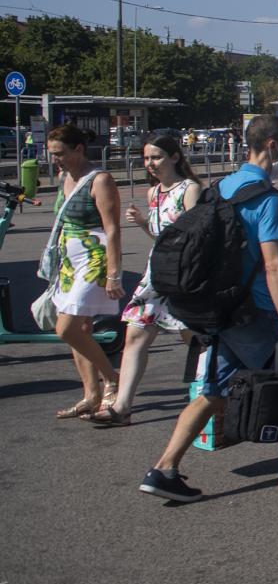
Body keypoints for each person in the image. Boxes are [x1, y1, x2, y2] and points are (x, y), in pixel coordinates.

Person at [137, 115, 278, 503]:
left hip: (217, 305)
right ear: (273, 145)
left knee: (212, 389)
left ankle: (164, 468)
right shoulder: (264, 197)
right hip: (253, 308)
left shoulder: (221, 186)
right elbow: (273, 263)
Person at [89, 135, 203, 427]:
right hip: (156, 272)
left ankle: (208, 402)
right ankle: (122, 407)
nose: (150, 164)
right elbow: (160, 236)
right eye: (147, 158)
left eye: (156, 157)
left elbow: (199, 236)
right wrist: (142, 222)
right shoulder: (154, 194)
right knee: (136, 333)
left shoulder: (190, 189)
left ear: (175, 157)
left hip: (184, 273)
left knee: (194, 338)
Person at [44, 125, 125, 420]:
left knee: (66, 328)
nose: (55, 160)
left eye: (60, 154)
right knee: (80, 331)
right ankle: (91, 394)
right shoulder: (65, 176)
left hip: (94, 258)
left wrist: (114, 273)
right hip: (69, 260)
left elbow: (113, 228)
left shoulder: (100, 179)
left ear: (79, 149)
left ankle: (112, 377)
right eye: (52, 154)